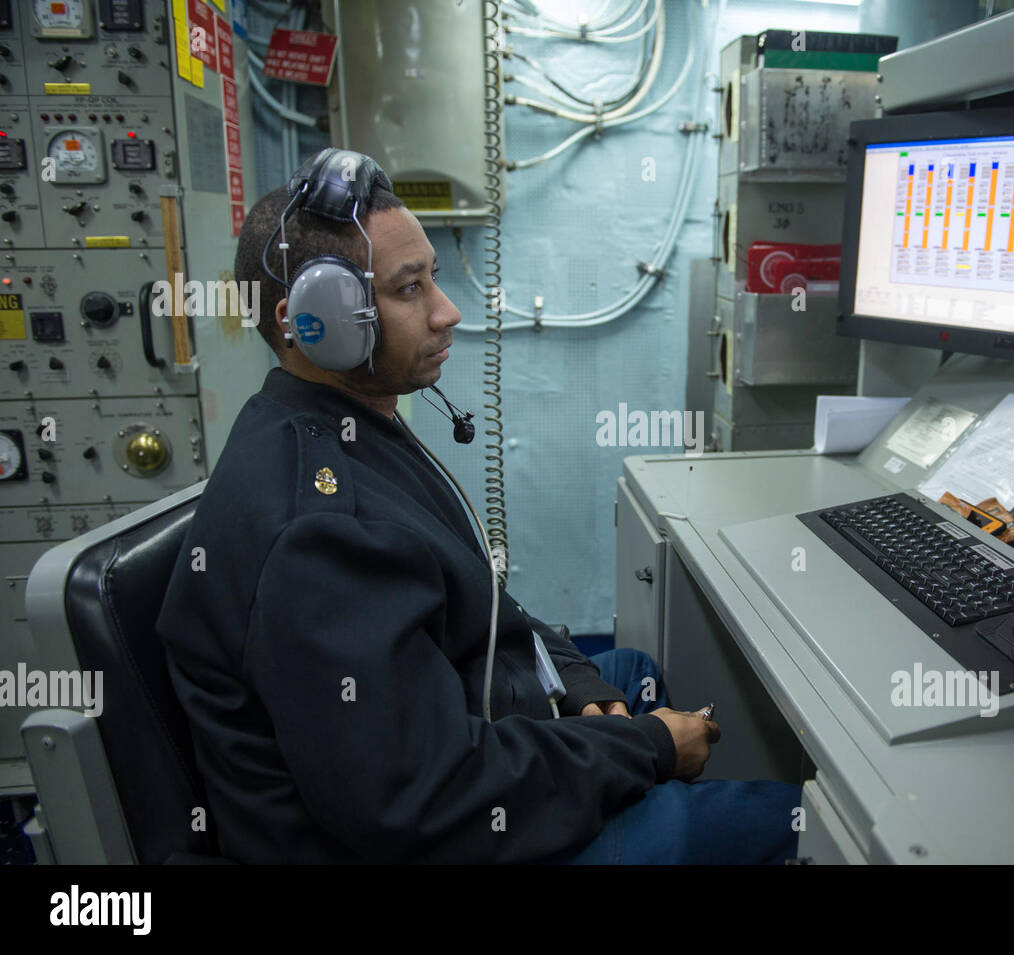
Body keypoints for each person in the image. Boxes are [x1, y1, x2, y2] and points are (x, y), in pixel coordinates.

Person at [155, 149, 801, 864]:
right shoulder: (321, 529)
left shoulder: (345, 427)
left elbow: (486, 607)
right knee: (798, 820)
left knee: (629, 672)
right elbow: (421, 796)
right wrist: (641, 748)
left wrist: (579, 687)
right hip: (427, 828)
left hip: (450, 732)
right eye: (409, 289)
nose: (447, 309)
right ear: (311, 324)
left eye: (431, 276)